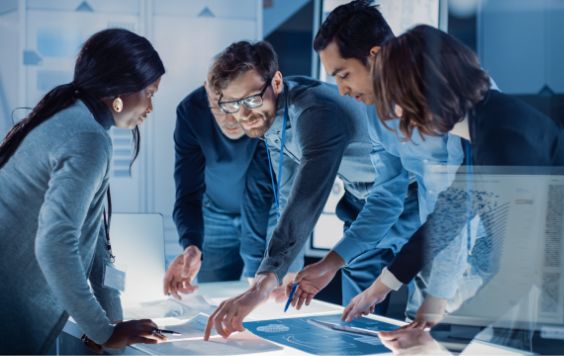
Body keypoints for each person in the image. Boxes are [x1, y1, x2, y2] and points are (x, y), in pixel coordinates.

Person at [202, 37, 434, 340]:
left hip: (411, 194)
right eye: (233, 104)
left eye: (251, 100)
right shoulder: (269, 116)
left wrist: (263, 284)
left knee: (425, 304)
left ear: (276, 82)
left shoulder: (316, 113)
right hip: (360, 196)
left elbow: (307, 198)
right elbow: (287, 195)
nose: (244, 115)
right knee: (355, 315)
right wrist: (287, 273)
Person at [343, 24, 564, 326]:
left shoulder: (502, 136)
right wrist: (381, 288)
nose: (394, 115)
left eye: (396, 98)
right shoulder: (485, 127)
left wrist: (438, 341)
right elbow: (448, 215)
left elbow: (518, 272)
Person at [287, 0, 463, 321]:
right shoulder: (375, 111)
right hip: (431, 247)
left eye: (344, 75)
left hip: (480, 255)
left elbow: (463, 206)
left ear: (375, 55)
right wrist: (333, 262)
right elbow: (384, 199)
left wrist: (431, 292)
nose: (341, 90)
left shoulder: (446, 88)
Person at [0, 28, 166, 354]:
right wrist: (104, 331)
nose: (150, 107)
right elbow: (55, 244)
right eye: (149, 93)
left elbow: (96, 247)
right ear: (120, 92)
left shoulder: (73, 118)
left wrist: (111, 326)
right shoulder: (87, 138)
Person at [163, 77, 303, 300]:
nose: (229, 119)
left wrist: (259, 266)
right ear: (206, 90)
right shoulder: (191, 111)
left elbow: (259, 192)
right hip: (215, 213)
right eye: (219, 108)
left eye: (234, 105)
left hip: (270, 211)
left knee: (276, 294)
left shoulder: (262, 109)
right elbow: (187, 191)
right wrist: (191, 244)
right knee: (213, 297)